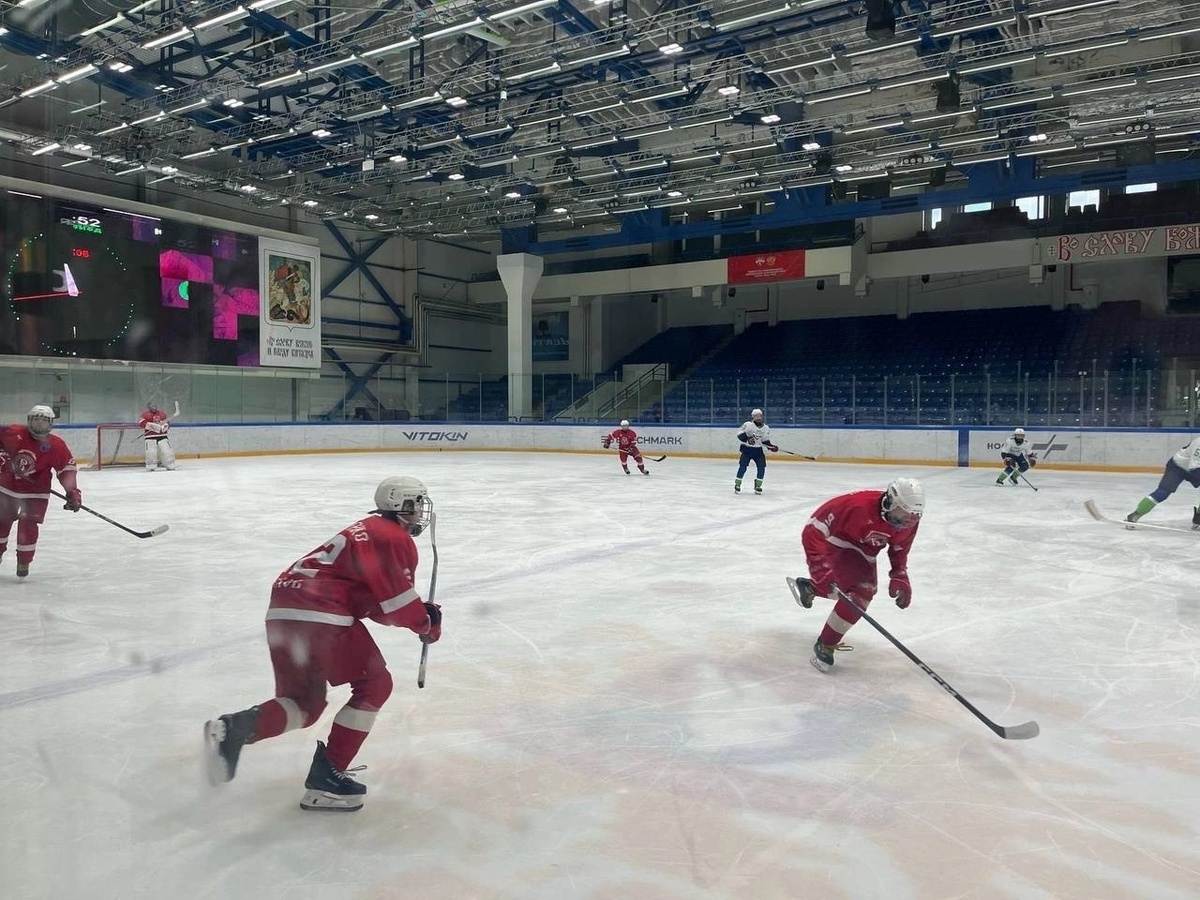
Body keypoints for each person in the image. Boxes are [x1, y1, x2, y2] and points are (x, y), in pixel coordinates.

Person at [203, 476, 442, 812]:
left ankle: (233, 729)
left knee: (304, 703)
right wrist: (426, 623)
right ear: (402, 504)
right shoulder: (391, 536)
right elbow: (398, 607)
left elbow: (376, 605)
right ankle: (326, 781)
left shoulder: (366, 530)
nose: (419, 511)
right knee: (375, 685)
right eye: (416, 503)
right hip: (322, 612)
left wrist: (419, 616)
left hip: (284, 611)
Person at [791, 478, 925, 672]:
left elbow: (900, 548)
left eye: (913, 516)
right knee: (859, 595)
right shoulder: (856, 505)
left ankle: (812, 588)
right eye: (903, 513)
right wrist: (820, 567)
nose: (907, 520)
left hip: (864, 553)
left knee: (855, 594)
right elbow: (812, 531)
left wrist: (900, 575)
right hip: (835, 543)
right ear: (890, 502)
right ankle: (826, 644)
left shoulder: (908, 522)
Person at [0, 405, 82, 578]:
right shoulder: (13, 432)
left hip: (36, 493)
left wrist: (72, 492)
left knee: (28, 527)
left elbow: (66, 469)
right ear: (29, 420)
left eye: (44, 420)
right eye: (36, 419)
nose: (40, 423)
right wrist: (3, 457)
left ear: (51, 423)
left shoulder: (56, 445)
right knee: (1, 523)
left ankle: (24, 562)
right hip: (7, 489)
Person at [1126, 436, 1200, 528]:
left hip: (1194, 468)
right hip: (1178, 467)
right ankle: (1135, 515)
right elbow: (1195, 468)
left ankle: (1198, 518)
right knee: (1163, 492)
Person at [734, 408, 778, 494]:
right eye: (756, 416)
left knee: (761, 467)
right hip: (747, 450)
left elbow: (764, 441)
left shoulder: (765, 428)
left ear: (761, 416)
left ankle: (758, 486)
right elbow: (739, 434)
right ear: (753, 417)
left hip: (758, 451)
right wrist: (747, 439)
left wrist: (771, 447)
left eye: (759, 415)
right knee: (743, 467)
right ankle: (737, 484)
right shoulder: (748, 425)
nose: (758, 417)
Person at [138, 402, 177, 471]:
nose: (154, 407)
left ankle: (170, 464)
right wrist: (152, 426)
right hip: (150, 436)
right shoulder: (145, 414)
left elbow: (167, 422)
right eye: (152, 406)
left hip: (162, 435)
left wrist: (165, 426)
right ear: (149, 407)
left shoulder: (162, 413)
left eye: (155, 405)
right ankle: (151, 466)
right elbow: (141, 423)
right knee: (151, 452)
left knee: (167, 451)